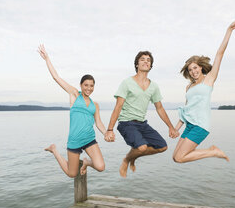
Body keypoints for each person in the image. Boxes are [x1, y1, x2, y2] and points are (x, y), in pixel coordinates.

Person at [172, 15, 235, 163]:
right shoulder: (189, 86)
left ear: (201, 67)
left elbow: (219, 54)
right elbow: (186, 110)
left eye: (195, 68)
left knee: (180, 158)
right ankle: (212, 151)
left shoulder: (209, 79)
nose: (193, 71)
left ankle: (213, 152)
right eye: (190, 70)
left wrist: (229, 30)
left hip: (200, 126)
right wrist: (176, 127)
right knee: (175, 157)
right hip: (190, 125)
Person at [105, 51, 179, 178]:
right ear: (137, 64)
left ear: (151, 66)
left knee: (162, 146)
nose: (146, 61)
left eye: (148, 60)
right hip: (126, 123)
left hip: (142, 124)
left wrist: (171, 127)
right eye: (142, 59)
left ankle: (133, 157)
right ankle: (127, 160)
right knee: (142, 147)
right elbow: (118, 106)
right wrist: (110, 129)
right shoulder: (127, 82)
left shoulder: (154, 86)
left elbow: (160, 108)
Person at [38, 44, 106, 177]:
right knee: (72, 173)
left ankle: (86, 162)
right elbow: (56, 78)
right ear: (81, 85)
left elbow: (98, 123)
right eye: (86, 85)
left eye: (91, 86)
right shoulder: (74, 94)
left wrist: (106, 133)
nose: (89, 88)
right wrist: (47, 59)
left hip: (89, 139)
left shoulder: (95, 105)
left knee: (101, 166)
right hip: (75, 140)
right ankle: (54, 150)